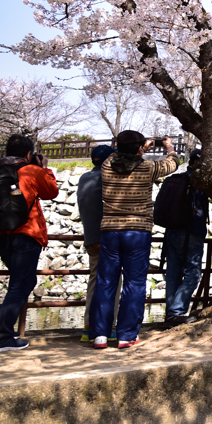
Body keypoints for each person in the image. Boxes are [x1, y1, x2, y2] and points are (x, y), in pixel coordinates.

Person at [91, 132, 179, 349]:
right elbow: (173, 164)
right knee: (134, 282)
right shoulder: (148, 168)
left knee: (106, 282)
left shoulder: (107, 165)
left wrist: (139, 147)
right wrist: (168, 147)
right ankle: (126, 334)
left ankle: (100, 335)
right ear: (139, 149)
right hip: (138, 231)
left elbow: (119, 154)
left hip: (110, 231)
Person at [0, 134, 58, 352]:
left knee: (21, 282)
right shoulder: (31, 171)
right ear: (28, 153)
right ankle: (0, 336)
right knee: (21, 284)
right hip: (26, 234)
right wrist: (44, 168)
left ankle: (1, 331)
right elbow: (51, 191)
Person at [77, 144, 119, 343]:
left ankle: (88, 326)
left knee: (94, 280)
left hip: (90, 237)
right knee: (112, 283)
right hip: (108, 237)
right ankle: (107, 327)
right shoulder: (109, 177)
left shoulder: (84, 178)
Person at [163, 149, 208, 326]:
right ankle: (177, 311)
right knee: (193, 273)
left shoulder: (178, 179)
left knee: (173, 272)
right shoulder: (200, 182)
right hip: (191, 232)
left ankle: (170, 314)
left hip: (171, 231)